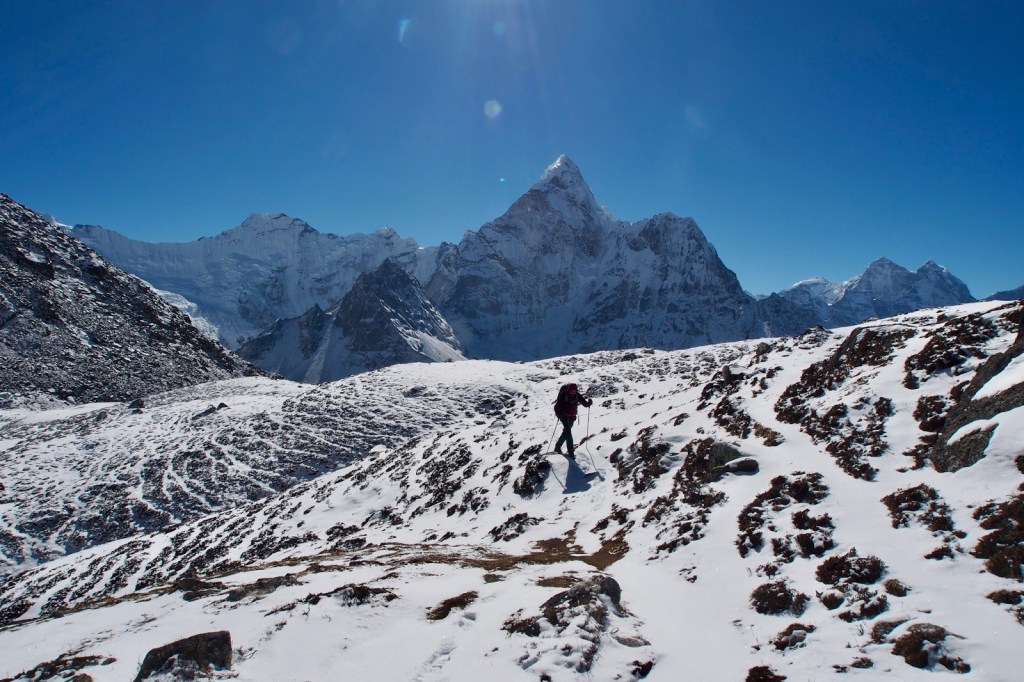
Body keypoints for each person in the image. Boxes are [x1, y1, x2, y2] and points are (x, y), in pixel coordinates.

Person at [553, 383, 592, 458]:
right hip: (564, 417)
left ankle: (557, 446)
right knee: (568, 432)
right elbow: (556, 407)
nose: (573, 393)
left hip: (572, 417)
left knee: (566, 432)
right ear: (569, 390)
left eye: (574, 391)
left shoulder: (577, 395)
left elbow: (584, 403)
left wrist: (589, 403)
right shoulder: (564, 396)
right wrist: (559, 415)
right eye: (571, 391)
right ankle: (571, 452)